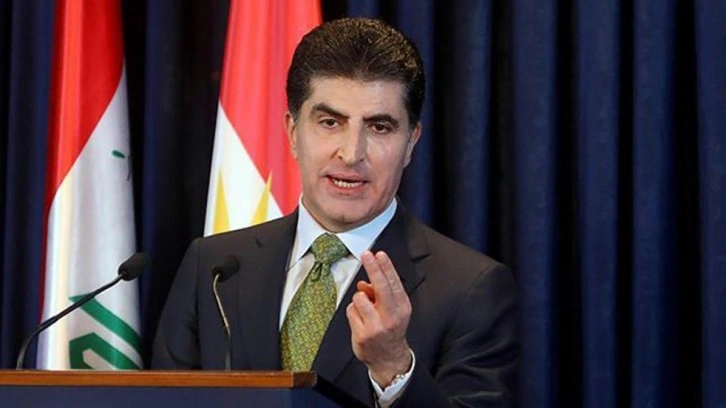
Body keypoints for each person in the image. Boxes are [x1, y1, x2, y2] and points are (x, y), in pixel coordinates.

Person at [152, 17, 519, 407]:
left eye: (379, 127)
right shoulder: (213, 269)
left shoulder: (470, 289)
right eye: (330, 123)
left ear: (411, 142)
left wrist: (394, 367)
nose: (351, 153)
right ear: (293, 132)